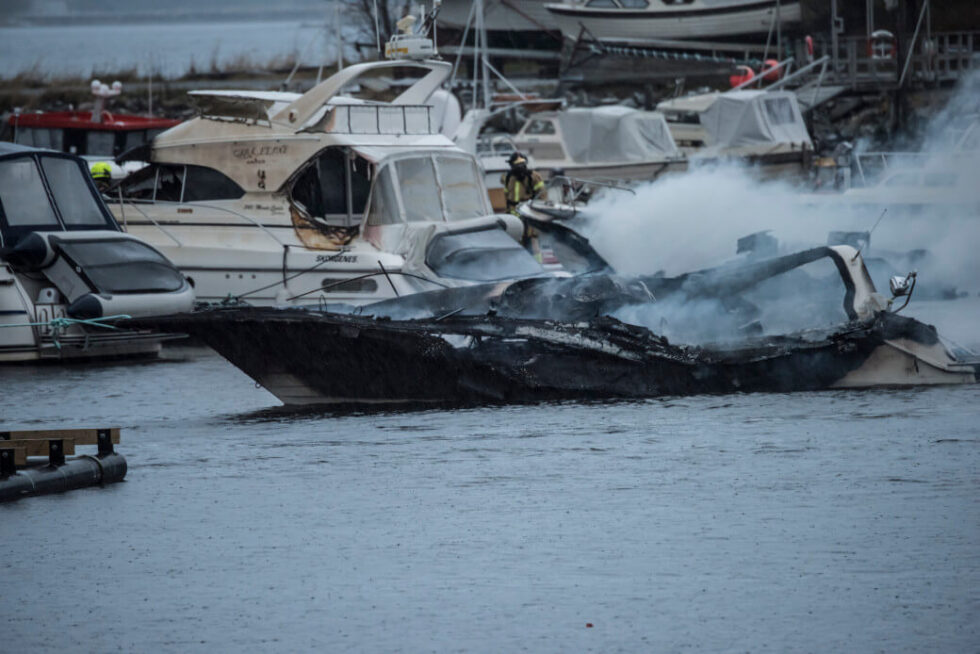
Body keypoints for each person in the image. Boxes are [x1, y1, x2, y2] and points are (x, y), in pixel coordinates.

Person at [501, 152, 545, 261]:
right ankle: (521, 264)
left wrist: (537, 212)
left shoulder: (534, 177)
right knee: (516, 240)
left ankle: (539, 266)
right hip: (514, 215)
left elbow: (542, 196)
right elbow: (507, 196)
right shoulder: (507, 177)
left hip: (529, 214)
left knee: (532, 239)